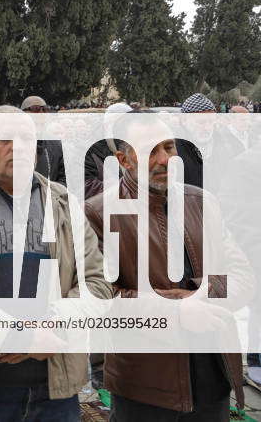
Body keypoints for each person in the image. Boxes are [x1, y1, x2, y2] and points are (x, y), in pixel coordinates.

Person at [0, 106, 112, 420]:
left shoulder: (63, 202)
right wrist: (13, 335)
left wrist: (52, 324)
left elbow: (96, 283)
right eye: (4, 139)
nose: (17, 147)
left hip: (55, 385)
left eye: (27, 138)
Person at [85, 112, 247, 420]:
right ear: (124, 160)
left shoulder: (203, 202)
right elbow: (99, 301)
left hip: (214, 373)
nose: (164, 159)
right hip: (147, 383)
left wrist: (207, 295)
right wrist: (176, 312)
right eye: (150, 150)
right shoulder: (98, 213)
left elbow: (243, 274)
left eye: (169, 147)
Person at [20, 95, 66, 184]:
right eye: (35, 109)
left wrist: (52, 194)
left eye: (44, 109)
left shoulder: (56, 144)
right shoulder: (12, 143)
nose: (41, 113)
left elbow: (64, 177)